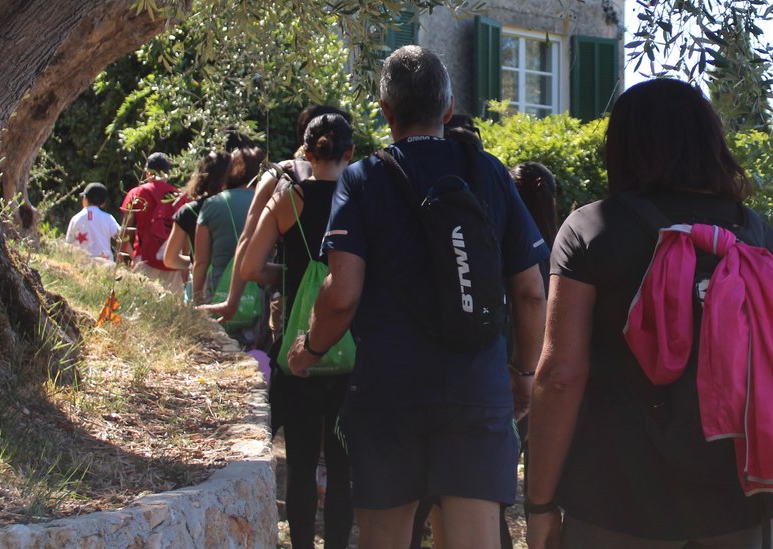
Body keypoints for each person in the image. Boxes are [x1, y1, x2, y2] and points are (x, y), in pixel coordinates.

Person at [526, 77, 773, 549]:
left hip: (616, 503)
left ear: (622, 147)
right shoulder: (760, 238)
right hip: (742, 505)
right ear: (712, 144)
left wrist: (539, 502)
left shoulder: (592, 229)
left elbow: (561, 376)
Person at [284, 46, 548, 549]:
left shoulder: (362, 178)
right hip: (476, 389)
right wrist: (522, 372)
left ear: (386, 112)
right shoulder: (490, 173)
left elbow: (342, 295)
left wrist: (309, 350)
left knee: (383, 538)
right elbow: (532, 294)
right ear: (448, 109)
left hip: (389, 393)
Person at [241, 113, 356, 549]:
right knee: (343, 469)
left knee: (302, 463)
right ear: (350, 152)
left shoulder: (291, 198)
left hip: (297, 347)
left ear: (306, 153)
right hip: (350, 348)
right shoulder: (361, 197)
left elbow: (250, 267)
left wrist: (292, 274)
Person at [204, 105, 350, 324]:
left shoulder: (279, 176)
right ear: (349, 150)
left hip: (290, 297)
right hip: (347, 303)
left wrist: (232, 301)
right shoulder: (358, 188)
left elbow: (248, 239)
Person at [191, 145, 263, 304]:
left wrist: (197, 299)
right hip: (260, 289)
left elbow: (201, 261)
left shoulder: (213, 204)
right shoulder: (269, 202)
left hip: (220, 288)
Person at [120, 152, 186, 293]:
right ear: (168, 174)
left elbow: (125, 230)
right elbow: (186, 234)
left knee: (139, 303)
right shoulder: (180, 197)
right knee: (172, 305)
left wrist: (122, 257)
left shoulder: (137, 193)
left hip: (144, 258)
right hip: (173, 262)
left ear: (147, 173)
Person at [162, 150, 232, 284]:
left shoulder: (188, 211)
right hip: (237, 283)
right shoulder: (240, 205)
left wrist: (196, 262)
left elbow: (170, 259)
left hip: (202, 283)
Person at [65, 182, 120, 262]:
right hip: (105, 263)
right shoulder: (109, 218)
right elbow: (121, 236)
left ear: (85, 199)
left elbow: (68, 243)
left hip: (82, 263)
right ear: (103, 203)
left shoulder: (76, 218)